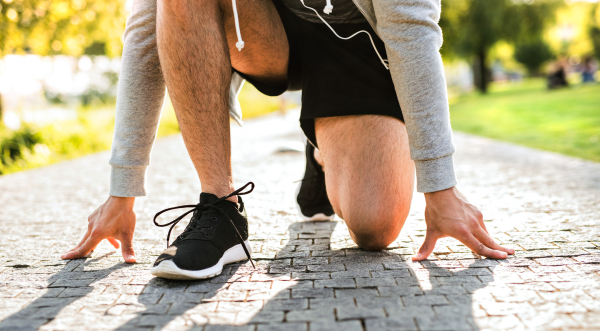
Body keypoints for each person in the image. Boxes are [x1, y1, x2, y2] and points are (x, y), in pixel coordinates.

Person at [61, 0, 514, 279]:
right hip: (264, 32)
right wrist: (122, 191)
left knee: (375, 228)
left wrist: (441, 188)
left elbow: (411, 27)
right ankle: (220, 207)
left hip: (360, 42)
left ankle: (323, 152)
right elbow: (146, 32)